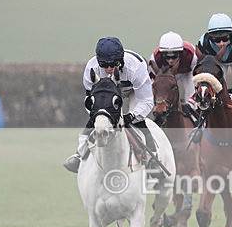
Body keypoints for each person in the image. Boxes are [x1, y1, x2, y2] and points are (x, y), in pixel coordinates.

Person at [63, 37, 157, 173]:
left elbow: (147, 101)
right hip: (106, 95)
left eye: (113, 65)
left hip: (132, 92)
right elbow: (89, 101)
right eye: (104, 65)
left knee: (138, 123)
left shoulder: (136, 68)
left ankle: (153, 158)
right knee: (95, 121)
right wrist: (100, 116)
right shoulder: (92, 68)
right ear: (98, 62)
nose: (108, 69)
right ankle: (78, 155)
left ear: (121, 60)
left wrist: (131, 116)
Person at [148, 31, 199, 123]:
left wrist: (190, 103)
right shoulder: (155, 59)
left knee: (190, 97)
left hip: (186, 73)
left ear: (181, 53)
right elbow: (153, 85)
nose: (170, 60)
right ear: (161, 54)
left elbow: (197, 81)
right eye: (166, 57)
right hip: (165, 76)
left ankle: (195, 120)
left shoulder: (191, 56)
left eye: (174, 56)